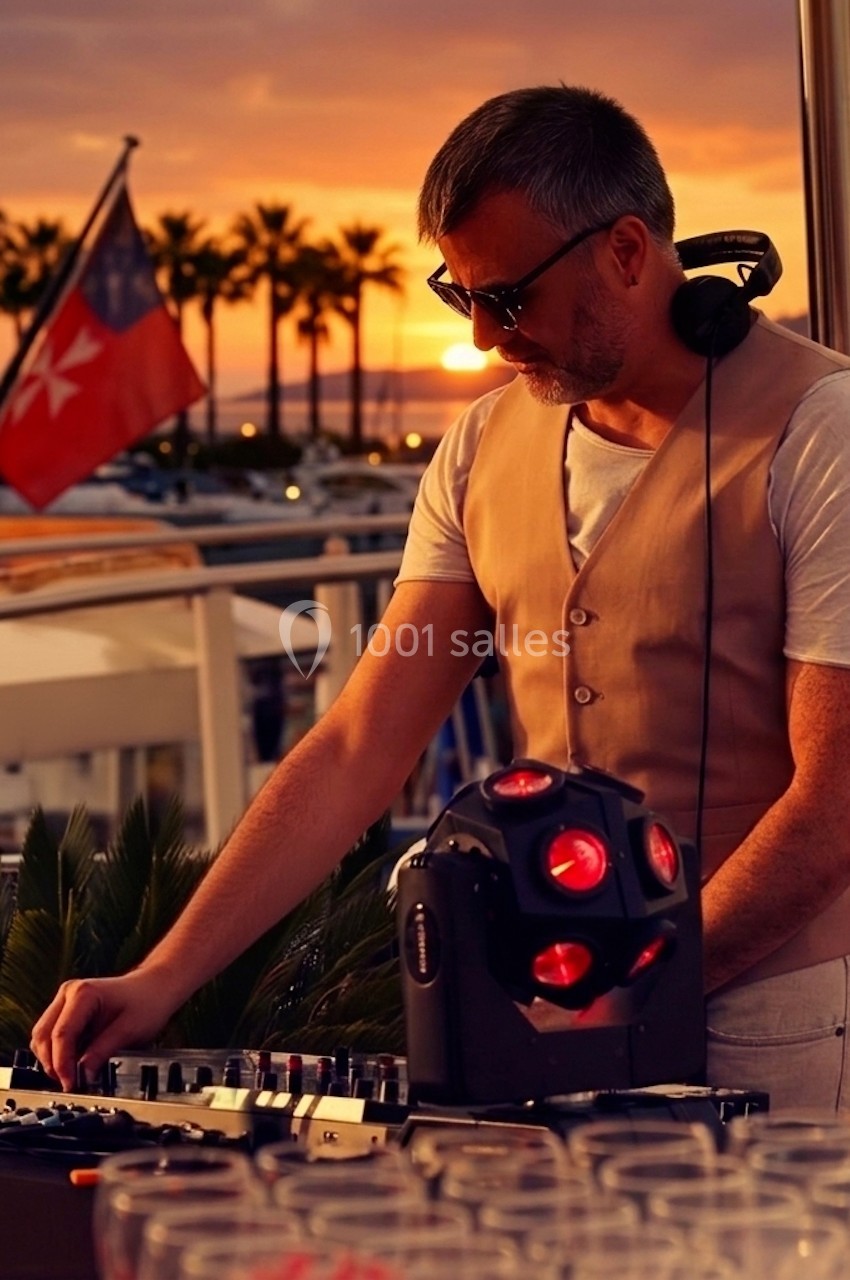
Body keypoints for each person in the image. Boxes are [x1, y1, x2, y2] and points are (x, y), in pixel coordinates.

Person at [32, 84, 850, 1110]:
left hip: (774, 1024)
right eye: (457, 296)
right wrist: (163, 973)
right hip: (553, 1017)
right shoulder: (477, 446)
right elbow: (358, 743)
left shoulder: (822, 432)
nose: (478, 340)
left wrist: (641, 987)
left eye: (506, 298)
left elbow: (834, 803)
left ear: (628, 251)